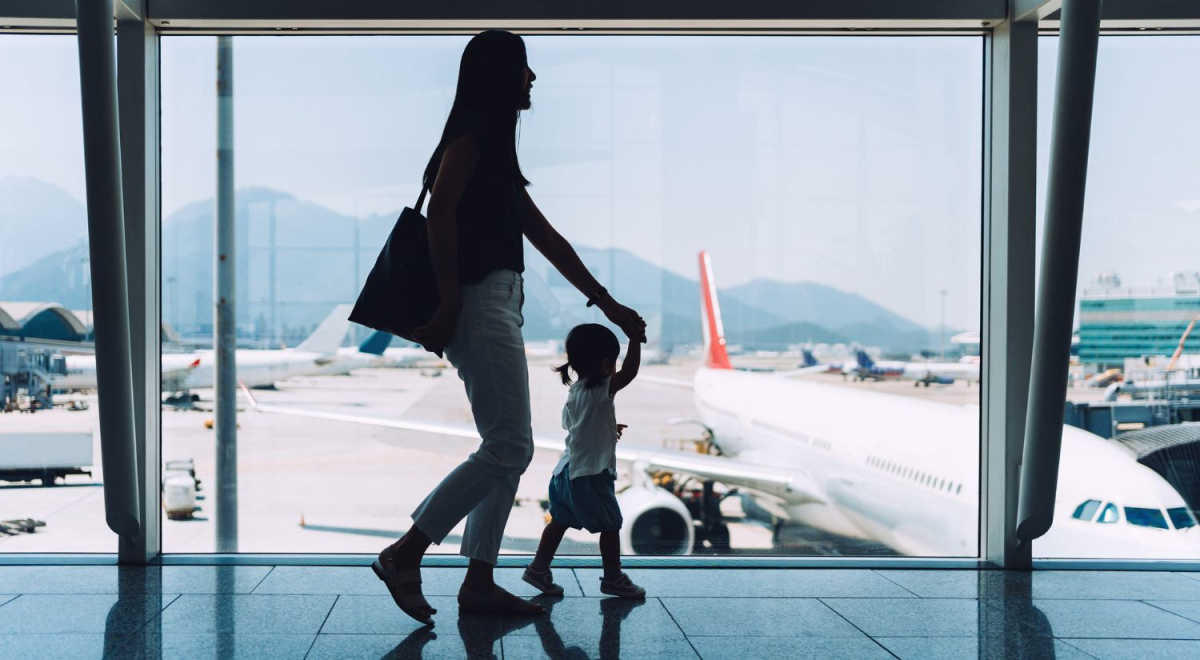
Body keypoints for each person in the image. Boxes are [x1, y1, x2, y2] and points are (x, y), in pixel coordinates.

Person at [371, 30, 646, 626]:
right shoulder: (470, 139)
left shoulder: (492, 149)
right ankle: (405, 553)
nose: (534, 78)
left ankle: (478, 583)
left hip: (494, 300)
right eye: (524, 68)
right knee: (510, 446)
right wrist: (446, 304)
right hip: (477, 301)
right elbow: (440, 215)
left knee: (507, 448)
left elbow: (546, 238)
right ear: (500, 76)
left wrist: (607, 304)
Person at [521, 323, 647, 600]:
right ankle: (613, 577)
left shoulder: (575, 392)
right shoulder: (603, 388)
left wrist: (608, 425)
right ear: (605, 364)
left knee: (559, 521)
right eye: (613, 361)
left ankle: (538, 568)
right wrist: (635, 340)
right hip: (591, 473)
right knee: (611, 525)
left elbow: (576, 427)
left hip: (565, 472)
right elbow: (631, 372)